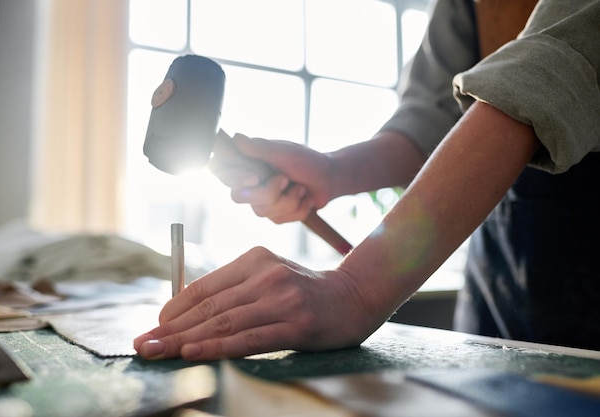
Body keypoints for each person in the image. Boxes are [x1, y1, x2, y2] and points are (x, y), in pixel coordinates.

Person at [134, 0, 600, 360]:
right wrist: (335, 172)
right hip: (497, 286)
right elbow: (435, 115)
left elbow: (557, 65)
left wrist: (356, 289)